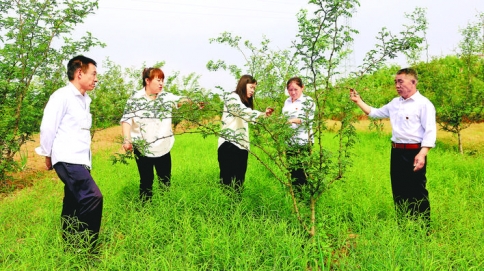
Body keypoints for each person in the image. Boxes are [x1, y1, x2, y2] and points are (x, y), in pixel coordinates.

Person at [350, 67, 436, 227]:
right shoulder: (395, 103)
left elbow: (430, 131)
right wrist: (358, 101)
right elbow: (375, 113)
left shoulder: (424, 104)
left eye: (400, 81)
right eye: (396, 82)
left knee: (417, 190)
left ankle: (424, 228)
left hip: (415, 152)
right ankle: (403, 225)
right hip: (396, 152)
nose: (397, 85)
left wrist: (422, 153)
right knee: (399, 190)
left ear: (413, 82)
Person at [35, 55, 103, 251]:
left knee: (73, 200)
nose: (96, 79)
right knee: (92, 197)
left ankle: (68, 243)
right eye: (93, 74)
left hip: (80, 159)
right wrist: (47, 154)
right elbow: (48, 127)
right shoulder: (62, 96)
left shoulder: (84, 100)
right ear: (79, 73)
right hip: (67, 157)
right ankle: (86, 248)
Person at [120, 67, 187, 201]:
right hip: (142, 147)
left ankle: (166, 208)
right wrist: (127, 140)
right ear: (147, 81)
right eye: (158, 80)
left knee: (165, 181)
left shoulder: (166, 97)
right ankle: (145, 212)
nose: (161, 83)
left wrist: (195, 102)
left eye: (162, 80)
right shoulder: (135, 99)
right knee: (146, 181)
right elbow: (126, 120)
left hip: (163, 146)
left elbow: (181, 100)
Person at [218, 74, 274, 193]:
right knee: (227, 182)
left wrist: (264, 114)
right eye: (251, 87)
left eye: (254, 88)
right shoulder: (232, 97)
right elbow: (240, 111)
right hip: (229, 144)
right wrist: (260, 113)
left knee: (239, 182)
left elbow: (249, 116)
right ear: (243, 85)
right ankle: (224, 208)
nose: (253, 91)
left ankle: (236, 208)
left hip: (242, 146)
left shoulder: (244, 103)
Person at [282, 77, 315, 192]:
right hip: (290, 142)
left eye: (295, 89)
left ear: (302, 87)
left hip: (303, 142)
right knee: (293, 172)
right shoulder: (287, 101)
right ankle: (296, 199)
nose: (293, 92)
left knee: (303, 173)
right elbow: (283, 118)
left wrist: (291, 120)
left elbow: (307, 119)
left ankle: (305, 199)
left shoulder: (308, 101)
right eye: (290, 90)